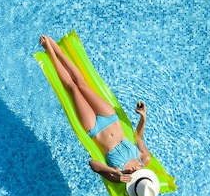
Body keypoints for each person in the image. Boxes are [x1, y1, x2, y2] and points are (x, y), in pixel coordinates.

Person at [39, 35, 152, 184]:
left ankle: (51, 53)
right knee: (82, 84)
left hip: (94, 129)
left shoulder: (120, 178)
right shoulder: (144, 159)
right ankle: (60, 52)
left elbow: (93, 164)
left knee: (73, 89)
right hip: (110, 118)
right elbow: (138, 137)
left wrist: (113, 172)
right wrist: (143, 117)